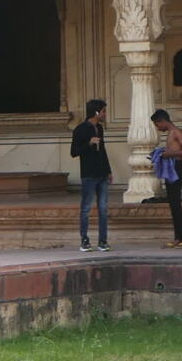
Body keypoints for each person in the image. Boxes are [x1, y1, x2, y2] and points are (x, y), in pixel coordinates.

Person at [70, 99, 112, 252]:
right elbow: (74, 152)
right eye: (103, 111)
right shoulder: (80, 130)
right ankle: (85, 240)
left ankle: (102, 241)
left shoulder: (99, 128)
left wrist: (108, 170)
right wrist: (89, 143)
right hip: (89, 174)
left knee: (103, 208)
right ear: (96, 112)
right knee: (86, 208)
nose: (105, 114)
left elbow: (103, 151)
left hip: (101, 173)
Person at [150, 109, 182, 247]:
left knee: (176, 204)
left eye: (157, 125)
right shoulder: (170, 133)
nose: (158, 128)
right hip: (170, 168)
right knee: (173, 204)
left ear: (162, 121)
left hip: (176, 168)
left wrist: (171, 154)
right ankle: (178, 238)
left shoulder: (176, 132)